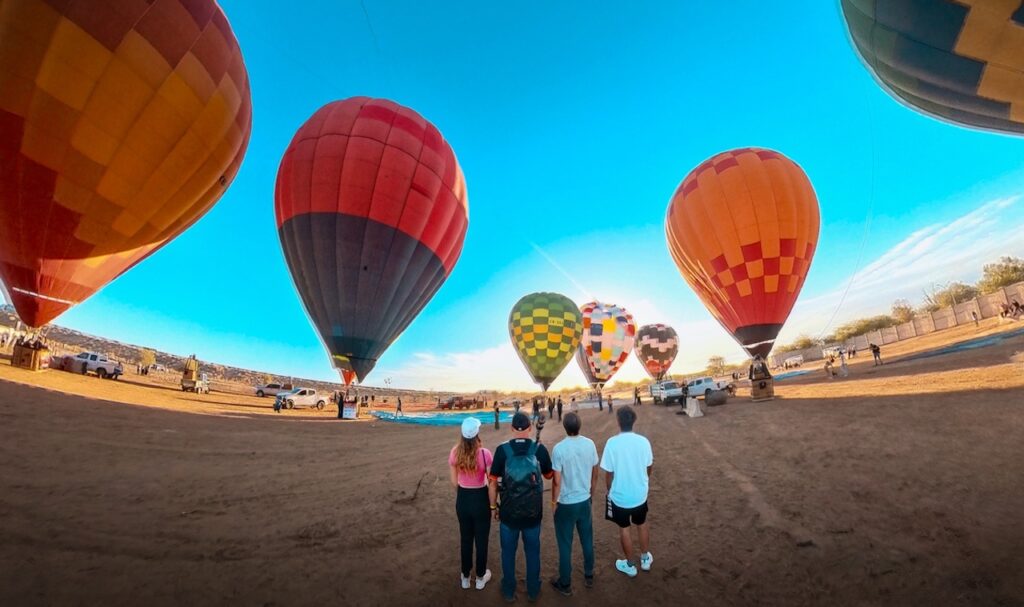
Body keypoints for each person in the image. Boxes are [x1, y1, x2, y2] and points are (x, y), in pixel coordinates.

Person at [488, 412, 554, 602]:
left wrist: (493, 507)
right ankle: (533, 590)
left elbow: (492, 482)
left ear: (511, 428)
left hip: (508, 514)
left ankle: (509, 590)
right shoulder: (538, 449)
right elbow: (549, 475)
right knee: (533, 552)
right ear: (530, 428)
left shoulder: (502, 451)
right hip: (533, 515)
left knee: (508, 553)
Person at [601, 406, 653, 578]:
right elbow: (648, 467)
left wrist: (609, 489)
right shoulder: (643, 442)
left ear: (618, 422)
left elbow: (609, 473)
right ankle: (645, 559)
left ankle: (630, 565)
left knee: (625, 528)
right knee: (642, 523)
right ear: (634, 421)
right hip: (640, 494)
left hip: (620, 497)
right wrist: (644, 480)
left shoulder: (611, 443)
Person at [550, 412, 598, 595]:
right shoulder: (589, 444)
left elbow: (556, 480)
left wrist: (554, 502)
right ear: (580, 426)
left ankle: (565, 583)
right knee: (587, 539)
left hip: (566, 503)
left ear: (564, 426)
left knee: (565, 544)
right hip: (584, 500)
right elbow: (595, 472)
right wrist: (591, 492)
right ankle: (589, 574)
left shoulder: (559, 449)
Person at [449, 418, 494, 591]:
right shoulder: (485, 454)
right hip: (481, 498)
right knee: (482, 540)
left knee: (466, 538)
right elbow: (491, 483)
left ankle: (465, 577)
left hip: (463, 498)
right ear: (477, 435)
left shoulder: (454, 453)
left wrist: (464, 494)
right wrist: (493, 505)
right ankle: (481, 577)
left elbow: (454, 482)